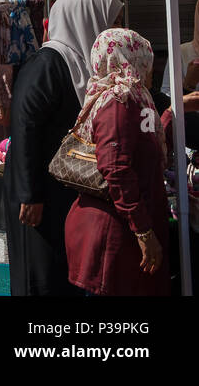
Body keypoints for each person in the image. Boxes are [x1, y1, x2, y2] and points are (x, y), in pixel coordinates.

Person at [4, 0, 122, 296]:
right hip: (39, 196)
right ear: (86, 19)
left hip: (61, 193)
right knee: (42, 276)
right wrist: (30, 195)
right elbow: (25, 126)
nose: (117, 30)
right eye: (112, 21)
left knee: (63, 275)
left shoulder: (81, 63)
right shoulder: (47, 64)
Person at [65, 28, 172, 296]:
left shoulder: (137, 99)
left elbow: (145, 146)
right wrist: (144, 232)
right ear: (129, 57)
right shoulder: (118, 102)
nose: (151, 67)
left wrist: (171, 113)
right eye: (145, 58)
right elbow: (115, 168)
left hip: (124, 233)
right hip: (114, 237)